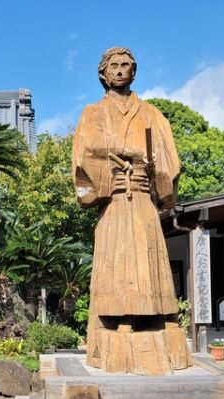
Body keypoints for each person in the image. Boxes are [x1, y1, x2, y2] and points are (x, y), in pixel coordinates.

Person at [72, 47, 192, 374]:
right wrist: (112, 173)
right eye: (114, 66)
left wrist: (153, 178)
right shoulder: (93, 113)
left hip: (142, 199)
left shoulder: (151, 113)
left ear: (134, 72)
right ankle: (119, 316)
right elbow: (85, 155)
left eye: (126, 65)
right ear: (103, 73)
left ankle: (161, 316)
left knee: (149, 256)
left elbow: (168, 160)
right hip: (113, 201)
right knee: (118, 258)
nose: (120, 71)